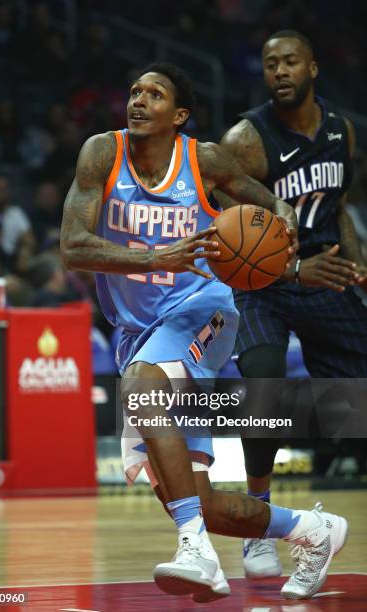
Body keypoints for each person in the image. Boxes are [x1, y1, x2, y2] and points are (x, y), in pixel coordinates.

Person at [60, 61, 347, 602]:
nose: (138, 101)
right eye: (134, 91)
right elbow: (73, 248)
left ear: (180, 114)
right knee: (200, 499)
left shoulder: (204, 159)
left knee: (143, 389)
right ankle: (313, 531)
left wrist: (282, 215)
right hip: (136, 332)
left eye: (155, 94)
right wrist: (157, 256)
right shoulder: (103, 153)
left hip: (203, 310)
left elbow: (265, 201)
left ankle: (194, 550)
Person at [218, 30, 367, 581]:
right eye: (270, 65)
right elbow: (225, 234)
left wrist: (356, 265)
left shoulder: (340, 130)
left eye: (290, 62)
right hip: (263, 284)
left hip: (324, 277)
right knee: (263, 384)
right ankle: (260, 517)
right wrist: (294, 268)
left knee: (358, 407)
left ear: (314, 68)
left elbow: (339, 207)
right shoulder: (246, 140)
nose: (279, 71)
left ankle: (316, 530)